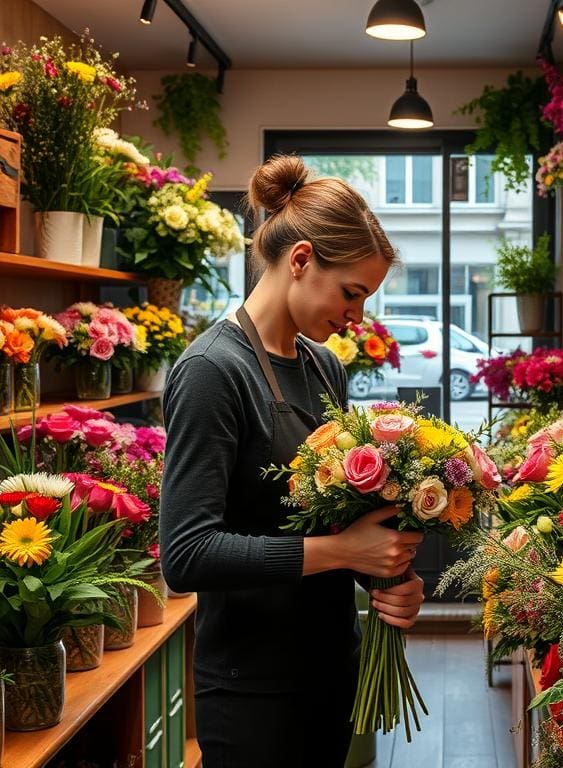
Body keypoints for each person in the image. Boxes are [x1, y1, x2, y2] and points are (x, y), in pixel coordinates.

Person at [160, 155, 425, 767]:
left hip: (331, 666)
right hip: (251, 688)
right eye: (351, 293)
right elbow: (187, 554)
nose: (357, 317)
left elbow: (334, 517)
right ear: (301, 260)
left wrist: (388, 580)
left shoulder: (322, 366)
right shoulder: (212, 372)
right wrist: (345, 552)